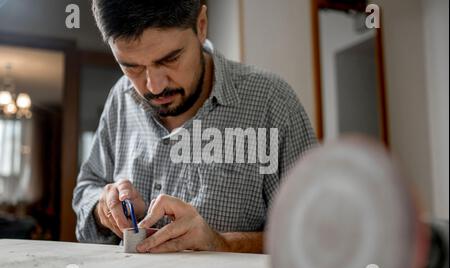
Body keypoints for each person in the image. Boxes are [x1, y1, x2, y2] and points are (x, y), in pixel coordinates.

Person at [72, 0, 317, 253]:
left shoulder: (271, 101)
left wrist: (222, 244)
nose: (154, 86)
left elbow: (317, 234)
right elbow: (87, 190)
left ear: (201, 26)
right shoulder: (120, 98)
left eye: (170, 59)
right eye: (131, 68)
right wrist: (104, 209)